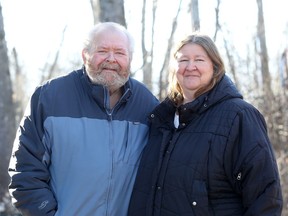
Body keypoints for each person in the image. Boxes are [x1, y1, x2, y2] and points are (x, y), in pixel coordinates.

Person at [8, 22, 159, 216]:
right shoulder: (50, 97)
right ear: (84, 55)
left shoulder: (148, 105)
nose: (111, 59)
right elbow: (25, 172)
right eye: (102, 50)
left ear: (130, 59)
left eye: (120, 53)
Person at [128, 33, 283, 215]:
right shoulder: (161, 120)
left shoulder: (239, 115)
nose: (190, 66)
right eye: (183, 60)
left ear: (215, 67)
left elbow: (265, 195)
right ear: (174, 68)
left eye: (199, 60)